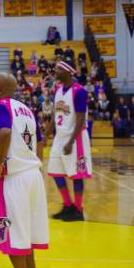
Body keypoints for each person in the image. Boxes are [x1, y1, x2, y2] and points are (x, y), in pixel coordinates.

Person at [0, 72, 48, 268]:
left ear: (1, 90)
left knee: (11, 230)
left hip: (12, 178)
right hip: (33, 175)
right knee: (27, 230)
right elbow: (41, 141)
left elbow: (4, 132)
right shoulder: (26, 109)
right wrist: (35, 163)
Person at [45, 61, 91, 222]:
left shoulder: (79, 92)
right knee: (55, 171)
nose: (55, 72)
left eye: (58, 69)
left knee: (76, 174)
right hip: (59, 137)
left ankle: (78, 209)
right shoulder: (57, 90)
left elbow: (80, 118)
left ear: (67, 72)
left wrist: (71, 141)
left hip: (75, 137)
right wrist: (45, 135)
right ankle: (68, 205)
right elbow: (54, 115)